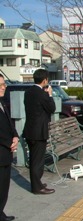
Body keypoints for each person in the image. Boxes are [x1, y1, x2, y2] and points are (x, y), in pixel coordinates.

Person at [23, 69, 56, 195]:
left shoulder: (29, 92)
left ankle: (37, 183)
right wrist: (50, 95)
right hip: (39, 132)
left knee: (33, 159)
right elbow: (52, 108)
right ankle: (37, 187)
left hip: (29, 130)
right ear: (45, 80)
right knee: (38, 161)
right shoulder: (42, 94)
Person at [0, 74, 18, 221]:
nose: (3, 87)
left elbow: (9, 123)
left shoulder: (3, 102)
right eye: (0, 85)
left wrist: (15, 136)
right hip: (1, 151)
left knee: (4, 187)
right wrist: (8, 143)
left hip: (6, 153)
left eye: (4, 84)